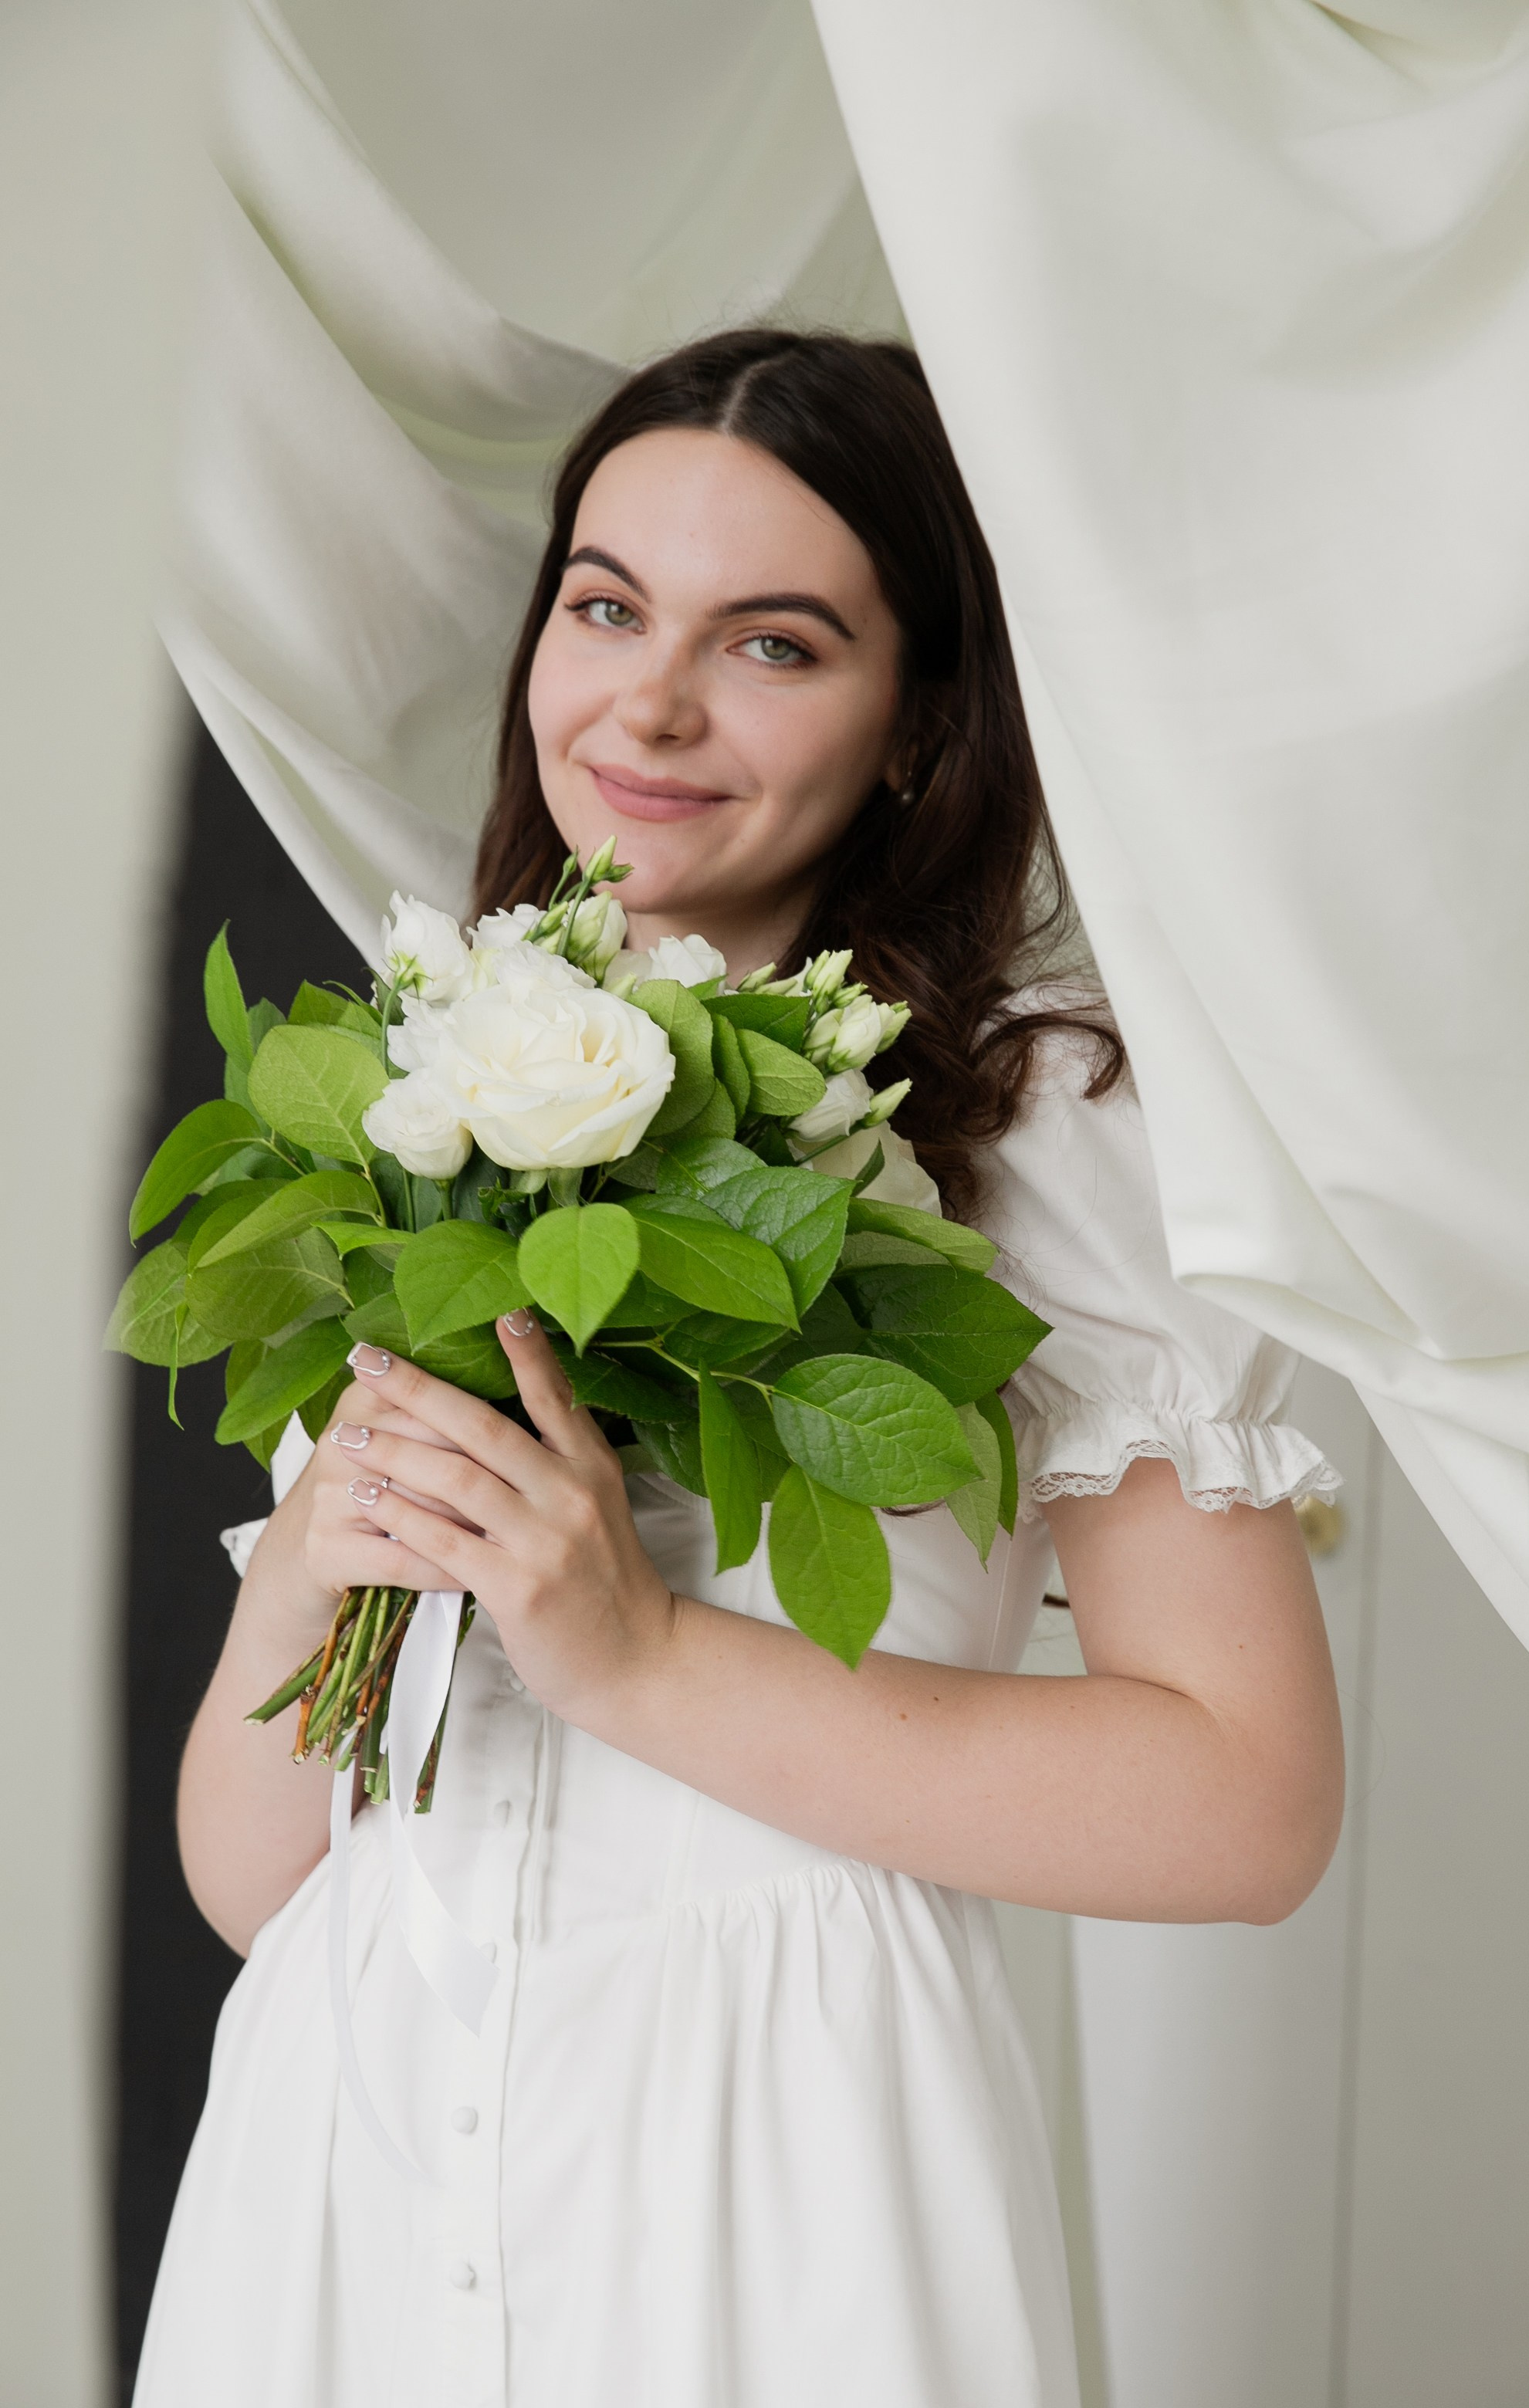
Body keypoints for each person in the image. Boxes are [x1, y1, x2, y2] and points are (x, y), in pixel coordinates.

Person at [136, 329, 1344, 2406]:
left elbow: (1245, 1803)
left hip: (773, 2177)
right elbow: (261, 1879)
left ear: (916, 726)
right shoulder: (436, 1081)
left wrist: (643, 1665)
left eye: (774, 643)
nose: (652, 702)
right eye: (607, 608)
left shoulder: (1041, 1125)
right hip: (346, 2138)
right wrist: (324, 1553)